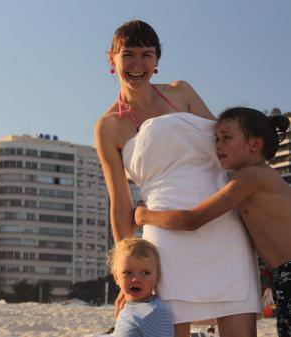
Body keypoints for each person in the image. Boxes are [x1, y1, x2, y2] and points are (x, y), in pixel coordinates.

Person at [94, 20, 261, 337]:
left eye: (147, 55)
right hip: (166, 238)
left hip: (223, 222)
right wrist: (123, 271)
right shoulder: (108, 126)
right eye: (128, 54)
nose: (138, 64)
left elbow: (227, 146)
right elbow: (120, 204)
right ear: (111, 59)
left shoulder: (181, 92)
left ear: (157, 61)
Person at [135, 107, 291, 337]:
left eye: (227, 138)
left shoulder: (250, 177)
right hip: (282, 274)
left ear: (255, 145)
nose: (218, 145)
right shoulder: (253, 177)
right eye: (216, 138)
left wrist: (144, 216)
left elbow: (193, 219)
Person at [108, 237, 173, 337]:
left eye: (145, 273)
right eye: (128, 273)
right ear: (116, 278)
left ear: (157, 277)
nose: (136, 279)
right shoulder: (128, 307)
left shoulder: (153, 312)